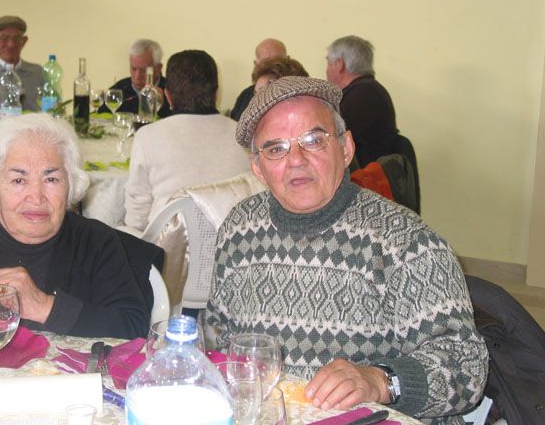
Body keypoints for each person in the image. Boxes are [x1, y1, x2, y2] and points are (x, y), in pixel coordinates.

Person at [203, 76, 488, 424]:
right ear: (258, 169)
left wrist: (380, 380)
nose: (296, 160)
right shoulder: (238, 229)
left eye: (313, 140)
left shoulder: (405, 242)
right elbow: (216, 340)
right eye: (276, 149)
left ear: (346, 148)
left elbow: (467, 368)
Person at [0, 113, 152, 339]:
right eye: (18, 180)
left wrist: (44, 306)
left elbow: (134, 326)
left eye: (51, 179)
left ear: (70, 187)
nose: (36, 197)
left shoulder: (95, 243)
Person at [124, 50, 249, 231]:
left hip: (166, 246)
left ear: (167, 96)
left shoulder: (147, 136)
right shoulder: (243, 136)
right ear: (217, 94)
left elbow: (137, 220)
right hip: (231, 242)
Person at [326, 35, 399, 167]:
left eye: (329, 63)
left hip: (363, 176)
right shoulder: (368, 91)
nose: (326, 71)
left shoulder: (364, 95)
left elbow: (330, 137)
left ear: (340, 64)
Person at [102, 39, 172, 118]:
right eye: (134, 69)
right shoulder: (119, 89)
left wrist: (162, 106)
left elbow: (178, 119)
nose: (137, 76)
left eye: (144, 70)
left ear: (158, 68)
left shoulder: (171, 91)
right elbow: (100, 116)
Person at [230, 38, 287, 121]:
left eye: (277, 63)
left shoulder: (300, 95)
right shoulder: (245, 97)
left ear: (289, 61)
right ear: (256, 65)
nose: (272, 68)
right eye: (266, 63)